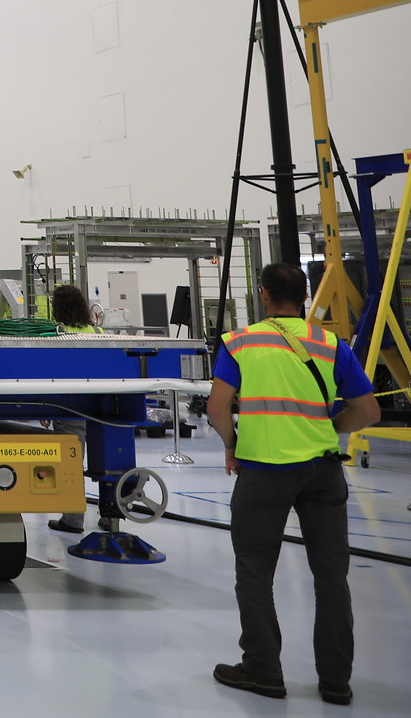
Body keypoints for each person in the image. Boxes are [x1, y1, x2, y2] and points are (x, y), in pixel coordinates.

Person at [206, 262, 380, 705]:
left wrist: (232, 444)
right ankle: (336, 682)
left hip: (263, 471)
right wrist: (327, 426)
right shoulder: (329, 343)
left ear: (264, 295)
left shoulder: (240, 343)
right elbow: (369, 412)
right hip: (322, 471)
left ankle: (264, 672)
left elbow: (217, 409)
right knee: (331, 579)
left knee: (255, 573)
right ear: (304, 296)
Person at [46, 282, 102, 532]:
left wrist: (46, 408)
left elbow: (52, 375)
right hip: (99, 408)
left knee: (71, 464)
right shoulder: (96, 332)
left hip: (71, 408)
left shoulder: (58, 334)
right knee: (104, 463)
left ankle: (73, 519)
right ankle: (109, 515)